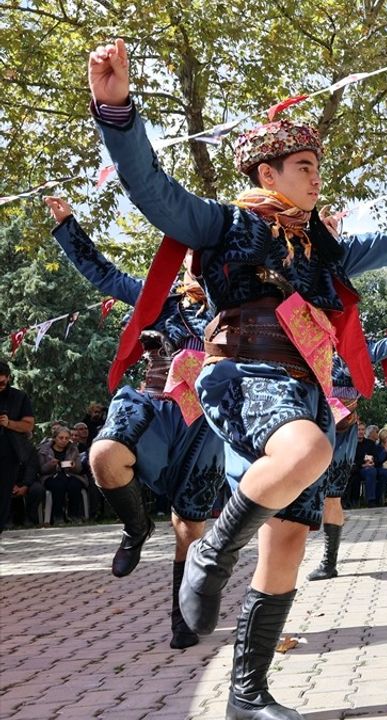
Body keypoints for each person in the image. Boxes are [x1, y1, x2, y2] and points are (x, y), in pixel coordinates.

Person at [86, 38, 387, 720]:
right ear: (267, 170)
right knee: (306, 451)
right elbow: (149, 187)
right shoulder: (223, 224)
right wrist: (116, 108)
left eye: (316, 167)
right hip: (242, 372)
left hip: (301, 387)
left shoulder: (321, 247)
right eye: (305, 166)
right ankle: (213, 554)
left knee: (287, 542)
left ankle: (247, 695)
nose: (316, 178)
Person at [46, 196, 222, 649]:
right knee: (103, 456)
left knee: (189, 526)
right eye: (193, 264)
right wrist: (68, 225)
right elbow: (104, 274)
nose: (200, 272)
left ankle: (181, 615)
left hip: (205, 424)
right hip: (153, 404)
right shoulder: (161, 300)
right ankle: (136, 527)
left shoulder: (239, 306)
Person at [306, 309, 387, 582]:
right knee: (299, 490)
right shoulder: (304, 339)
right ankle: (286, 555)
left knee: (332, 494)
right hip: (307, 425)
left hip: (341, 429)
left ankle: (328, 562)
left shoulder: (358, 348)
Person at [0, 361, 36, 533]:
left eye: (1, 382)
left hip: (9, 453)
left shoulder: (18, 397)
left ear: (7, 378)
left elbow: (28, 426)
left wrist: (9, 423)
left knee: (3, 496)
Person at [38, 427, 89, 523]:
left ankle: (74, 514)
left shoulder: (73, 449)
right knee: (58, 485)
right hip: (50, 476)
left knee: (75, 485)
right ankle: (57, 515)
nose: (64, 440)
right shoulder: (44, 450)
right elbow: (41, 470)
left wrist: (73, 466)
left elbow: (79, 469)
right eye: (61, 438)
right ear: (54, 438)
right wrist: (50, 465)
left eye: (66, 438)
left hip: (70, 475)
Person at [355, 425, 387, 507]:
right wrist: (363, 464)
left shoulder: (370, 443)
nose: (361, 432)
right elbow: (352, 459)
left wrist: (373, 462)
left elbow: (376, 457)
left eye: (362, 429)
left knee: (385, 472)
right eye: (359, 430)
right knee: (371, 471)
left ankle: (378, 498)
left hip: (372, 465)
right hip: (359, 468)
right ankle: (371, 500)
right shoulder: (352, 443)